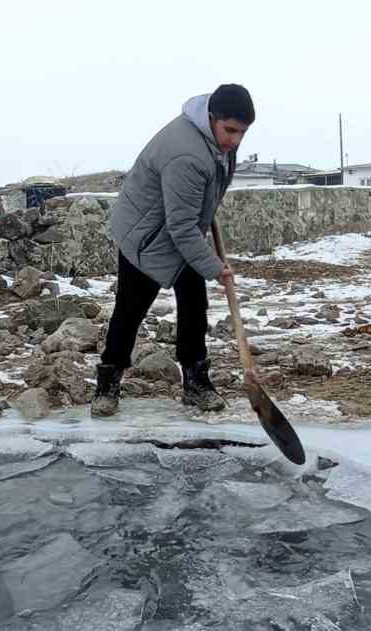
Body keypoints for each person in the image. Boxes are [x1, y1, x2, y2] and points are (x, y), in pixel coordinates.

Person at [92, 84, 254, 417]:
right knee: (131, 309)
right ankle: (107, 383)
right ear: (211, 117)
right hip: (146, 237)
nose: (236, 140)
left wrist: (203, 242)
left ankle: (195, 383)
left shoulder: (217, 143)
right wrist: (215, 267)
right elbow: (179, 227)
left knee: (195, 304)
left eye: (242, 132)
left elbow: (193, 208)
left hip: (179, 230)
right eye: (230, 130)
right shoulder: (186, 154)